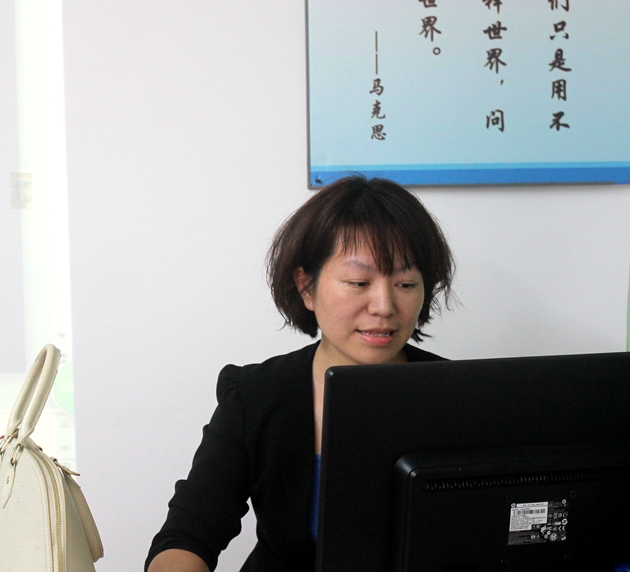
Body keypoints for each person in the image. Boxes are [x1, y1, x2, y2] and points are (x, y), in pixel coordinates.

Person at [145, 176, 455, 572]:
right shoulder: (255, 395)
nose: (384, 305)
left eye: (405, 283)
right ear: (307, 287)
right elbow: (188, 535)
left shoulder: (458, 396)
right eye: (359, 282)